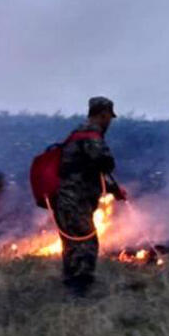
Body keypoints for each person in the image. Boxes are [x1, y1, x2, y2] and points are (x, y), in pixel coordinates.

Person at [52, 97, 126, 295]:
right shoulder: (91, 134)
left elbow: (86, 170)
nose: (109, 121)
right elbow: (104, 161)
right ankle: (80, 289)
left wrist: (113, 189)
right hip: (75, 200)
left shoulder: (77, 133)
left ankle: (72, 285)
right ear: (102, 114)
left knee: (73, 243)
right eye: (108, 116)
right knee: (86, 242)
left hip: (66, 198)